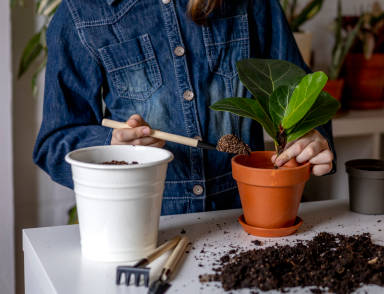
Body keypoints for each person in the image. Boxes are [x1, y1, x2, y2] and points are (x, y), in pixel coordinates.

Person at [32, 0, 336, 215]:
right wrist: (111, 147)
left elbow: (302, 95)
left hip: (248, 219)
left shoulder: (251, 3)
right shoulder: (80, 14)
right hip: (147, 229)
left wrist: (311, 137)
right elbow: (54, 144)